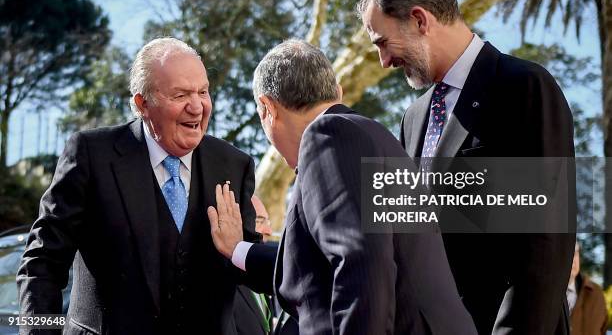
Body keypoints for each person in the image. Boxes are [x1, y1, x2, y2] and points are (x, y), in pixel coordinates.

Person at [358, 0, 576, 334]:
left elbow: (545, 244)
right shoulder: (412, 119)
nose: (383, 61)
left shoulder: (522, 87)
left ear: (420, 20)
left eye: (383, 42)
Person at [207, 39, 477, 335]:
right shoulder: (371, 135)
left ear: (266, 108)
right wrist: (238, 250)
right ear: (337, 91)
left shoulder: (328, 135)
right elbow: (314, 264)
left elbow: (361, 266)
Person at [17, 38, 261, 334]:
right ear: (141, 104)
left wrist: (239, 248)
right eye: (180, 94)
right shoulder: (91, 154)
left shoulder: (234, 165)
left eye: (203, 92)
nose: (197, 106)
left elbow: (253, 274)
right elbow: (41, 262)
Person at [234, 195, 274, 335]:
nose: (269, 231)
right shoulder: (226, 284)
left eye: (268, 222)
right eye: (260, 221)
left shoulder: (263, 276)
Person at [567, 243, 608, 335]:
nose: (573, 260)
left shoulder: (596, 294)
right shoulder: (545, 296)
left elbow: (603, 329)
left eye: (575, 253)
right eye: (568, 254)